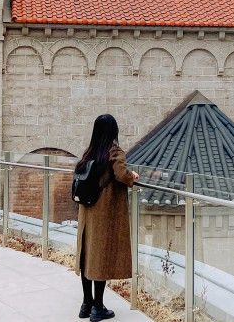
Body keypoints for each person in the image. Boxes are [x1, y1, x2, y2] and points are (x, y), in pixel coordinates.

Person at [75, 114, 139, 321]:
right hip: (104, 212)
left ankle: (86, 304)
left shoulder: (89, 152)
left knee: (87, 255)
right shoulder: (113, 151)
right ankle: (98, 307)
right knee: (100, 257)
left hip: (87, 210)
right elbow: (120, 174)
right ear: (114, 131)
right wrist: (132, 176)